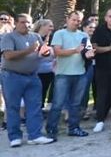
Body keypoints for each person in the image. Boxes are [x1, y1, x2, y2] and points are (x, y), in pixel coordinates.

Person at [1, 14, 56, 146]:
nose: (26, 25)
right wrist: (29, 50)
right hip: (12, 76)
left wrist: (46, 52)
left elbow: (42, 52)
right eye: (23, 22)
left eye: (29, 22)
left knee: (34, 107)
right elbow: (8, 55)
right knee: (13, 107)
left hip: (32, 76)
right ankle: (14, 137)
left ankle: (35, 135)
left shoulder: (35, 37)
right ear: (16, 23)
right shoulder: (8, 37)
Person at [46, 11, 92, 139]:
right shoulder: (60, 34)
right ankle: (51, 129)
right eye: (74, 20)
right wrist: (74, 50)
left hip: (80, 73)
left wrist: (89, 54)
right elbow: (57, 52)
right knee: (58, 104)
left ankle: (74, 128)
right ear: (68, 19)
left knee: (76, 104)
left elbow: (86, 52)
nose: (76, 22)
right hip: (63, 74)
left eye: (79, 20)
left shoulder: (83, 35)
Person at [33, 19, 55, 110]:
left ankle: (40, 108)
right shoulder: (34, 37)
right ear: (42, 26)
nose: (52, 28)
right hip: (36, 70)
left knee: (44, 90)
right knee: (36, 91)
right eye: (49, 26)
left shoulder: (52, 38)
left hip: (49, 70)